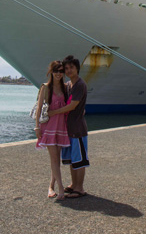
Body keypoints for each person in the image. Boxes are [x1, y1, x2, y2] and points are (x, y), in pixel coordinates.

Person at [48, 55, 89, 199]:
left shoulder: (79, 85)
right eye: (66, 68)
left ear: (77, 68)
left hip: (78, 129)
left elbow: (72, 105)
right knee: (73, 159)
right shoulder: (70, 85)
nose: (69, 70)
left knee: (80, 160)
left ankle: (80, 188)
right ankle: (73, 184)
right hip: (69, 129)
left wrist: (53, 112)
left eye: (71, 67)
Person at [35, 61, 70, 201]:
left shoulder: (65, 87)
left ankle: (51, 186)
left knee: (57, 159)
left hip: (61, 126)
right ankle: (60, 187)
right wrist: (37, 126)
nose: (58, 73)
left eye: (61, 71)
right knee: (54, 158)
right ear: (51, 72)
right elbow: (39, 108)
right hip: (48, 126)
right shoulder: (46, 87)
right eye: (56, 70)